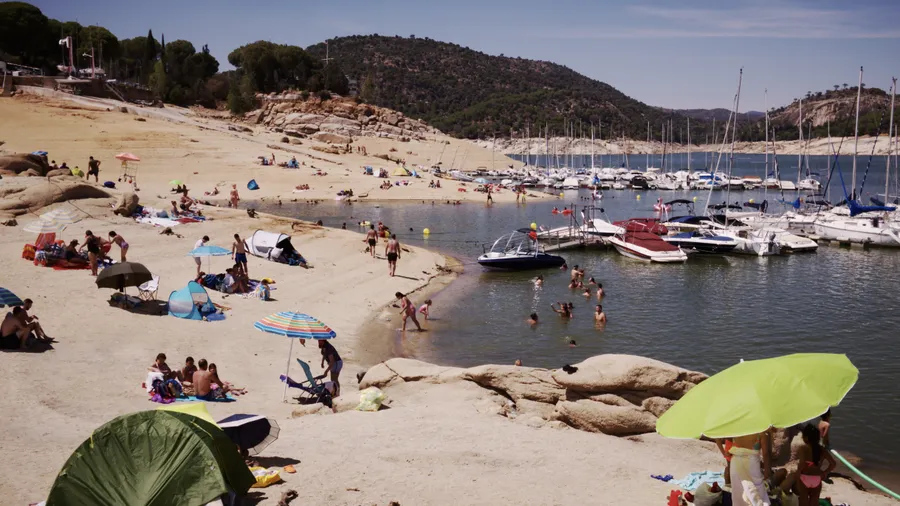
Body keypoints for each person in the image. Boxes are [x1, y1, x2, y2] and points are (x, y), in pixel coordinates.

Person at [729, 431, 772, 506]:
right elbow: (766, 453)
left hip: (735, 462)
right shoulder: (762, 431)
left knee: (739, 491)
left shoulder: (736, 427)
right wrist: (767, 470)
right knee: (757, 489)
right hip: (751, 463)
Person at [797, 424, 836, 506]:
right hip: (816, 479)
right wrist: (824, 473)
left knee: (803, 500)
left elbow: (802, 464)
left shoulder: (803, 448)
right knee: (814, 501)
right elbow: (833, 464)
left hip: (804, 477)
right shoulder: (822, 449)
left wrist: (798, 473)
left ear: (806, 438)